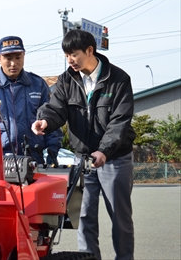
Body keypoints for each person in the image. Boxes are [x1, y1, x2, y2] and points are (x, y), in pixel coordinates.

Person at [31, 29, 136, 260]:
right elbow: (55, 107)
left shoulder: (118, 79)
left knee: (120, 217)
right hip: (83, 160)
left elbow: (120, 121)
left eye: (74, 54)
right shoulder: (67, 80)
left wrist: (105, 151)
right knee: (85, 216)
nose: (70, 59)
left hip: (115, 158)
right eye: (66, 55)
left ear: (90, 50)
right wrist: (45, 121)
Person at [0, 36, 62, 165]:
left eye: (18, 57)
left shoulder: (38, 84)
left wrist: (52, 152)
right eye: (8, 58)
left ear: (24, 55)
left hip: (34, 160)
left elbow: (52, 120)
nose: (13, 63)